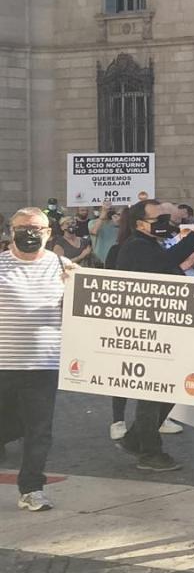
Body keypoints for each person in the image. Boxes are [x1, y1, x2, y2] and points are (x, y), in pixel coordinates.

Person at [108, 199, 194, 471]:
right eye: (159, 219)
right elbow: (166, 263)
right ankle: (150, 452)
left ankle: (134, 439)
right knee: (153, 392)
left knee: (167, 388)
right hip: (147, 331)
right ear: (140, 224)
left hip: (165, 327)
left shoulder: (152, 244)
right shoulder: (136, 247)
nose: (166, 224)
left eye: (167, 218)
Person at [0, 208, 78, 512]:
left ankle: (32, 488)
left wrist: (76, 288)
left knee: (38, 431)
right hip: (2, 364)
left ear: (48, 233)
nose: (30, 233)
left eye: (36, 228)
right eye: (23, 227)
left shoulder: (64, 266)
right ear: (11, 230)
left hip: (43, 366)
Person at [89, 203, 120, 270]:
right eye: (106, 209)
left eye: (110, 209)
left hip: (114, 258)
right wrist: (102, 216)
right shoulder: (93, 222)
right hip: (99, 259)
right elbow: (94, 232)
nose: (108, 211)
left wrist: (119, 223)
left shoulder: (116, 222)